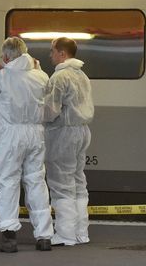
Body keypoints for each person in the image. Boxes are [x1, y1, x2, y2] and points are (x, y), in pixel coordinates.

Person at [0, 37, 53, 253]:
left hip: (9, 135)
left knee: (7, 182)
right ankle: (44, 236)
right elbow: (46, 85)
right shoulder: (40, 76)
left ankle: (9, 237)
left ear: (6, 56)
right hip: (35, 133)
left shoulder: (2, 77)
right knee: (36, 182)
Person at [43, 37, 94, 246]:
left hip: (63, 133)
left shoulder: (60, 77)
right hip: (82, 131)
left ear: (61, 53)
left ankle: (65, 234)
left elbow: (50, 111)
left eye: (52, 51)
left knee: (61, 182)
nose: (50, 55)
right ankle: (82, 232)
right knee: (78, 182)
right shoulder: (82, 75)